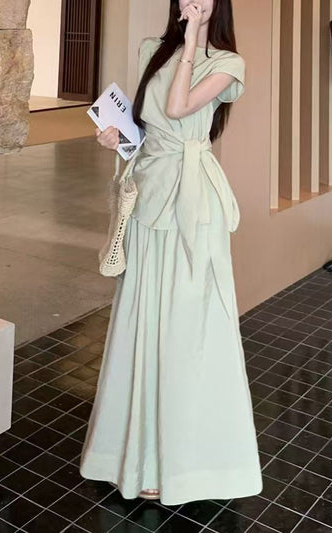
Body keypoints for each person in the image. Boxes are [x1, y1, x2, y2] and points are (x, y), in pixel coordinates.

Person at [79, 0, 263, 506]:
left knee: (189, 325)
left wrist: (191, 40)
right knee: (141, 317)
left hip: (194, 203)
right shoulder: (150, 50)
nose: (191, 2)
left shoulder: (228, 63)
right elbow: (149, 129)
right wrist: (117, 138)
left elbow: (180, 109)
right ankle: (133, 457)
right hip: (149, 193)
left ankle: (187, 465)